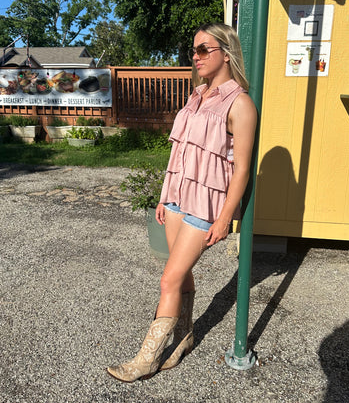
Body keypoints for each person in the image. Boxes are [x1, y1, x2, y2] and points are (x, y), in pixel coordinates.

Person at [107, 23, 257, 383]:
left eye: (204, 49)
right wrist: (163, 196)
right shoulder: (196, 95)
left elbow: (241, 171)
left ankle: (147, 357)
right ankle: (185, 336)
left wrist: (223, 220)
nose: (196, 56)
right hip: (176, 198)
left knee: (168, 279)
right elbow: (179, 152)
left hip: (205, 206)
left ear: (226, 52)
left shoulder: (241, 104)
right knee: (181, 272)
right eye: (194, 50)